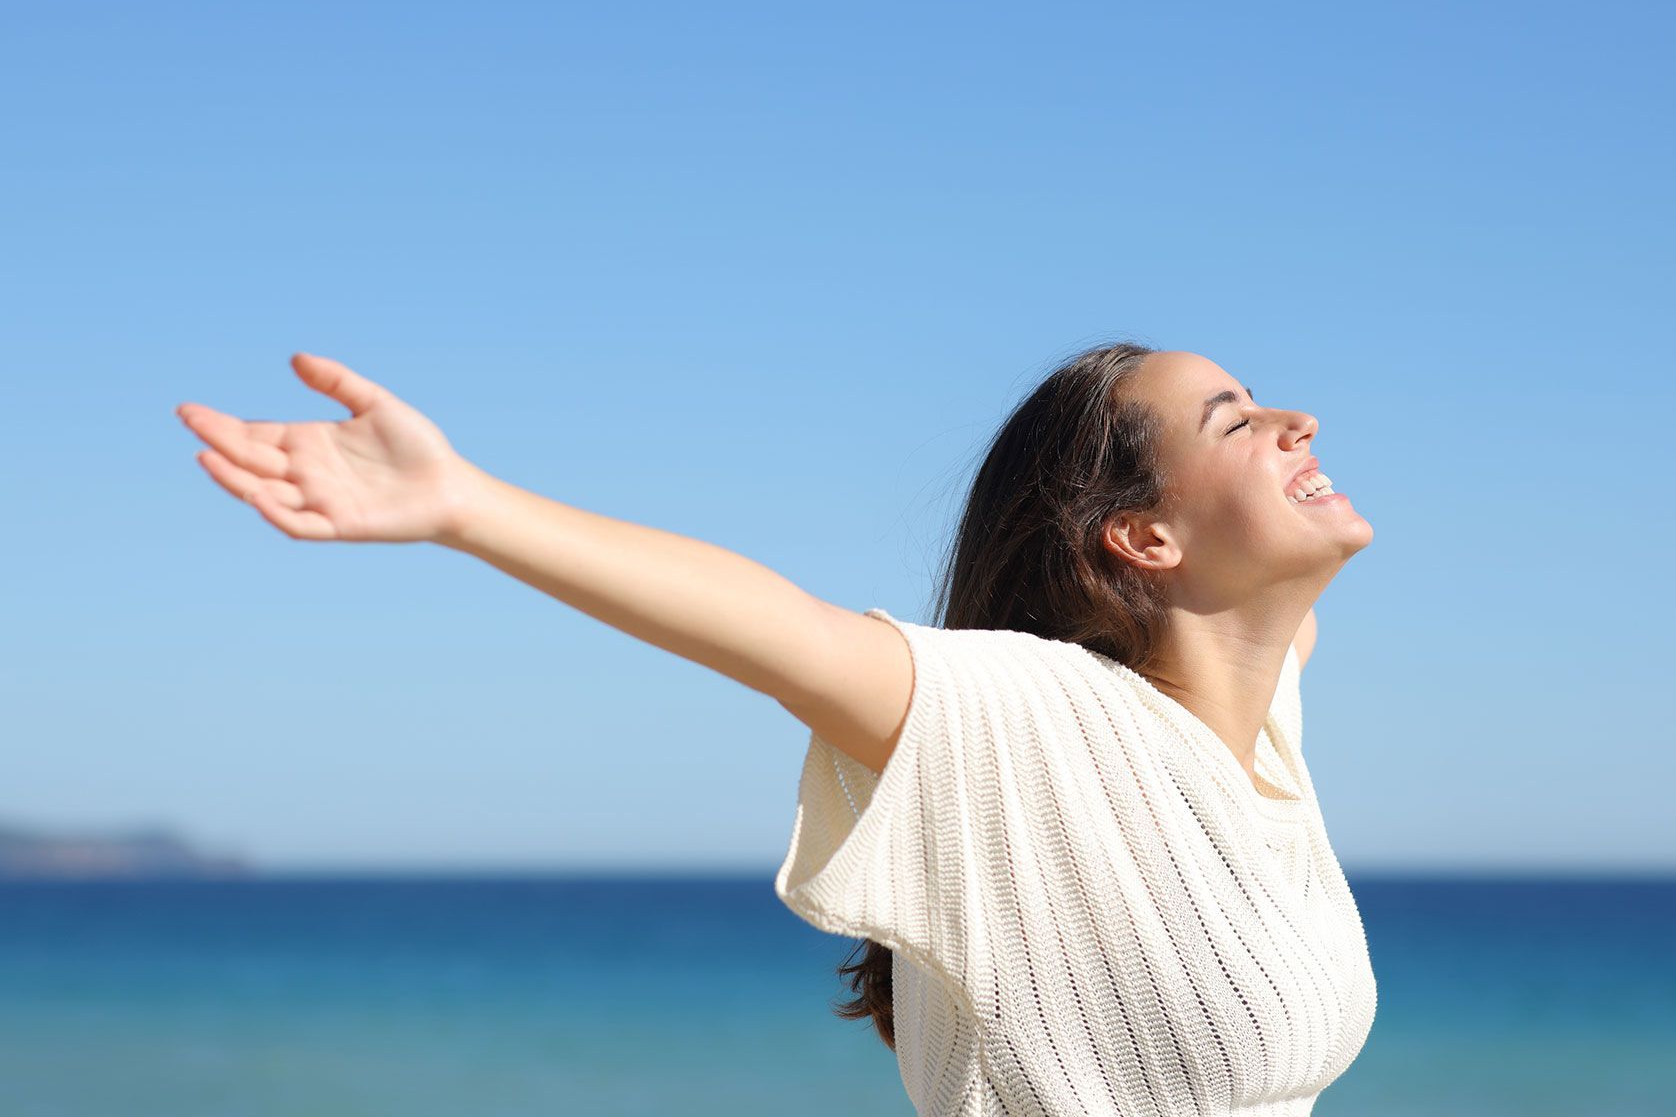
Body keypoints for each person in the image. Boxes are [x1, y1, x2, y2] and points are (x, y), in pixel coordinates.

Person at [175, 339, 1376, 1115]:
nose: (1296, 419)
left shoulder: (1263, 727)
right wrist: (465, 505)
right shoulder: (1036, 719)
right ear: (1142, 538)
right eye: (1235, 420)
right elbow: (779, 629)